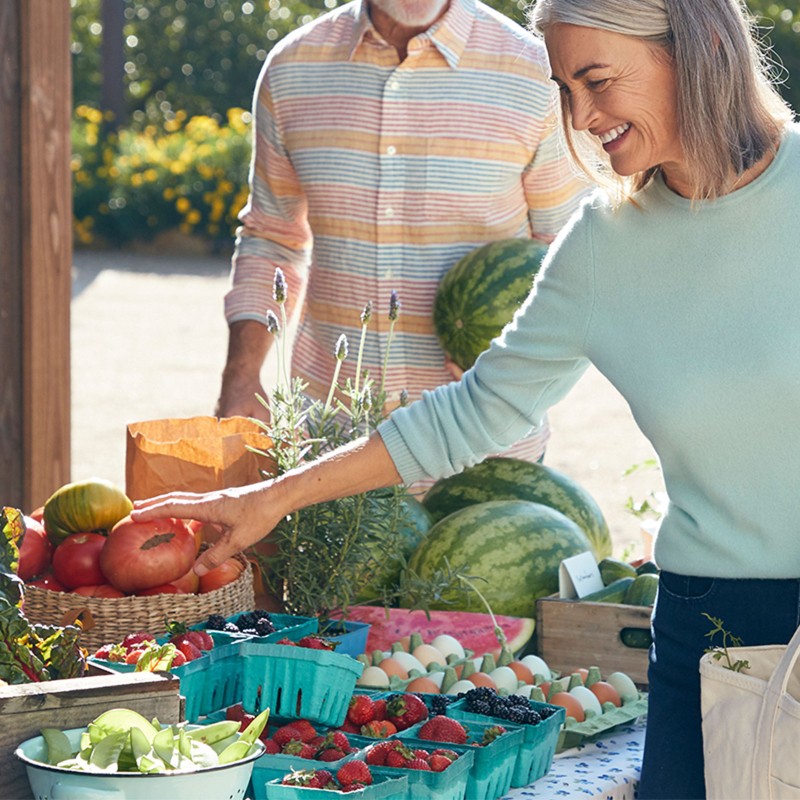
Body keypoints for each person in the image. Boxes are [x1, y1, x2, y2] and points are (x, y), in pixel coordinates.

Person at [134, 0, 797, 796]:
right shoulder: (603, 244)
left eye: (596, 81)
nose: (581, 119)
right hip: (707, 622)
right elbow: (473, 412)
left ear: (691, 51)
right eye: (563, 89)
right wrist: (273, 496)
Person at [214, 0, 589, 472]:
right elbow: (272, 237)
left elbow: (570, 257)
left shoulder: (537, 71)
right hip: (326, 451)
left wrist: (515, 372)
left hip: (483, 448)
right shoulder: (292, 68)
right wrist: (241, 375)